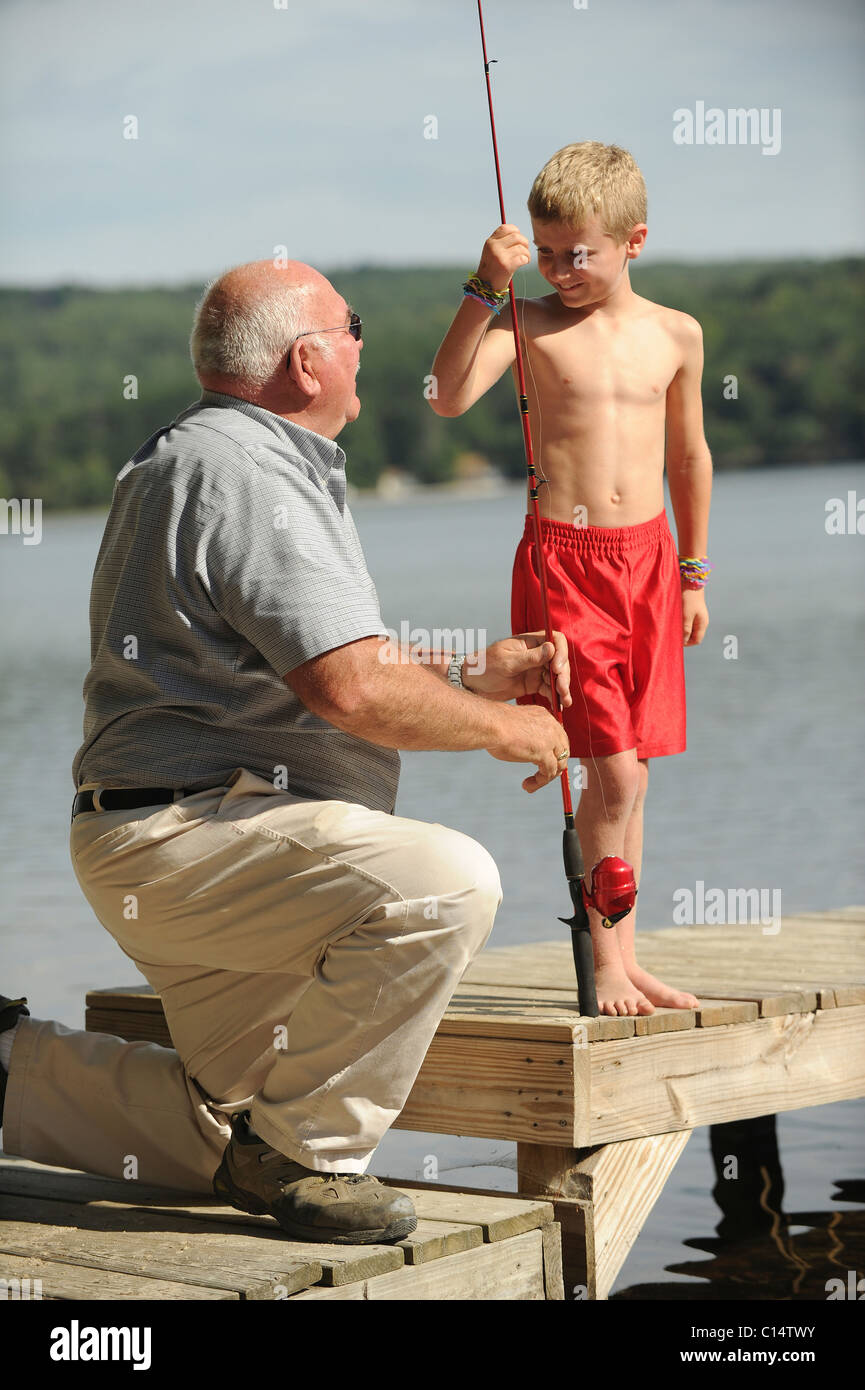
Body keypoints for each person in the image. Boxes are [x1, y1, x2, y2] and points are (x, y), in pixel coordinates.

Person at [0, 258, 574, 1247]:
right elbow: (348, 688)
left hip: (174, 834)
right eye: (352, 326)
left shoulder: (201, 455)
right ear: (307, 361)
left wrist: (468, 672)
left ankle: (10, 1068)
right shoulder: (248, 471)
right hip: (200, 834)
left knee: (220, 1122)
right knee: (444, 883)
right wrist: (508, 727)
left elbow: (309, 651)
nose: (365, 343)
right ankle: (311, 1158)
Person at [428, 141, 713, 1017]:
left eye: (576, 252)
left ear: (634, 241)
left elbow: (687, 454)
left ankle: (622, 956)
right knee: (611, 777)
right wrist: (487, 287)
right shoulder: (530, 323)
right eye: (546, 253)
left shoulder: (676, 333)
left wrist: (694, 573)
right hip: (566, 564)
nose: (559, 268)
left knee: (637, 778)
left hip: (650, 563)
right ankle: (602, 963)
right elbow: (444, 394)